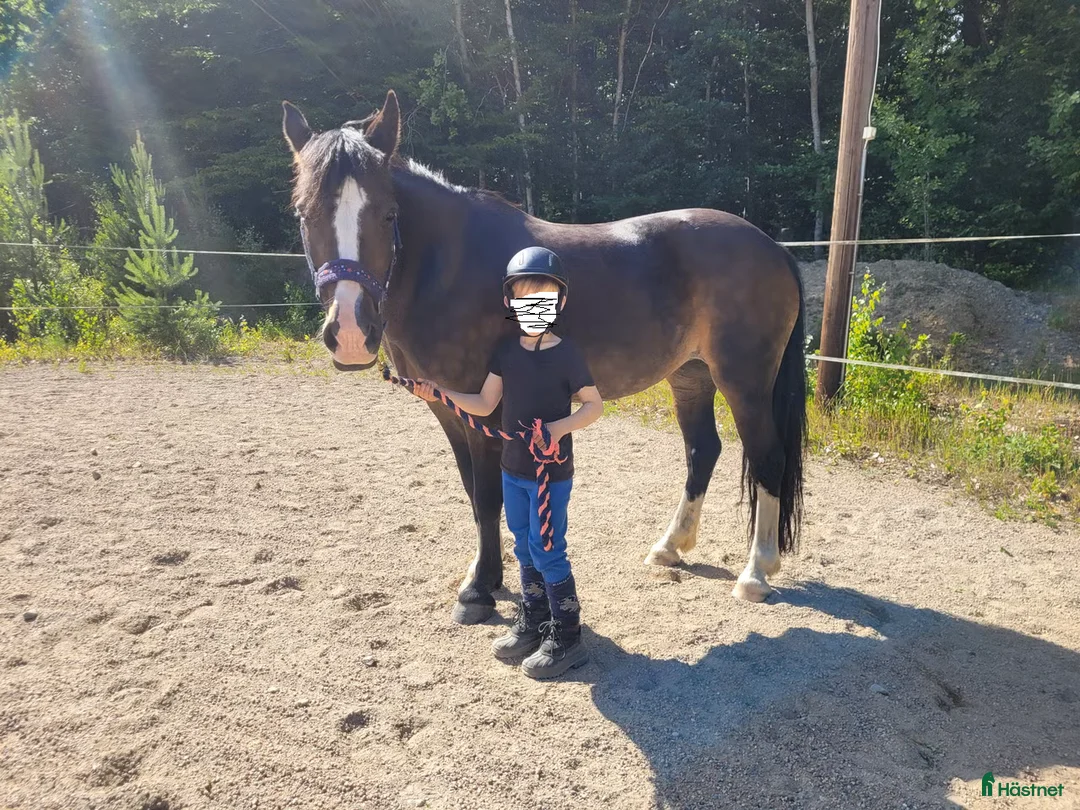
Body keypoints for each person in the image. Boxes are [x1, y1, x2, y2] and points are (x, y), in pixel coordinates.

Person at [412, 246, 603, 679]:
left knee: (548, 549)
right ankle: (535, 621)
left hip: (549, 473)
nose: (534, 309)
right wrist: (438, 391)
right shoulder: (506, 351)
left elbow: (594, 406)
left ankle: (568, 638)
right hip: (513, 469)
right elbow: (483, 403)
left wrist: (557, 428)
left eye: (544, 301)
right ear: (510, 304)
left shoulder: (567, 353)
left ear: (560, 303)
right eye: (525, 301)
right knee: (521, 544)